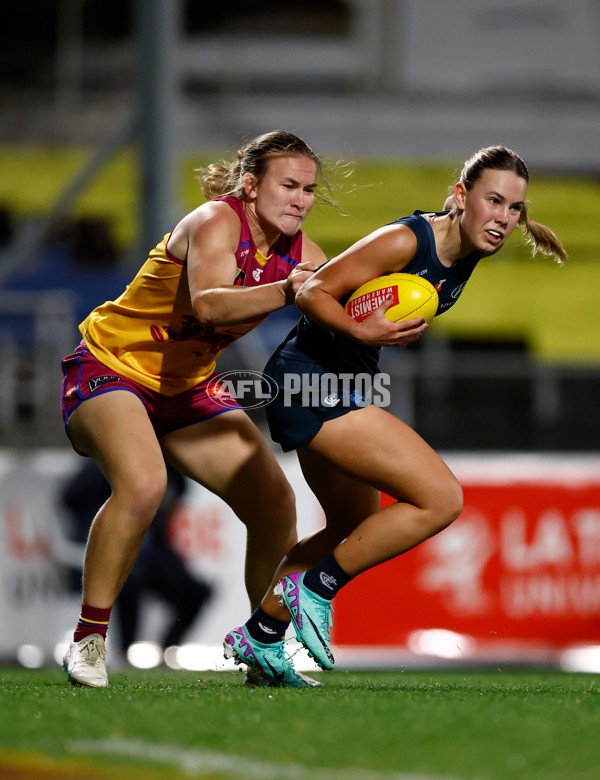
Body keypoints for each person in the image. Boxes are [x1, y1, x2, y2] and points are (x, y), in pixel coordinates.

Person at [224, 145, 567, 682]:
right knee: (441, 498)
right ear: (460, 196)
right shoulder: (409, 239)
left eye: (514, 208)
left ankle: (262, 637)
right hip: (308, 379)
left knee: (352, 526)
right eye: (493, 200)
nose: (503, 217)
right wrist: (361, 331)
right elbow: (312, 290)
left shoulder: (472, 250)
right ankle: (314, 588)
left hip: (344, 383)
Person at [60, 130, 330, 688]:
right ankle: (88, 640)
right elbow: (208, 304)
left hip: (186, 388)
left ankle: (265, 648)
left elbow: (333, 316)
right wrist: (290, 290)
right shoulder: (216, 221)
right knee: (142, 485)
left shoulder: (306, 257)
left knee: (276, 503)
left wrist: (376, 319)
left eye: (308, 189)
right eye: (288, 185)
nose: (301, 199)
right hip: (110, 366)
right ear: (251, 187)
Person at [60, 460, 213, 656]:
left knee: (197, 591)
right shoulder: (103, 466)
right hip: (113, 551)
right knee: (130, 578)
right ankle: (125, 652)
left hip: (152, 552)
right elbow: (71, 499)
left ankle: (168, 650)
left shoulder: (171, 470)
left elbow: (170, 508)